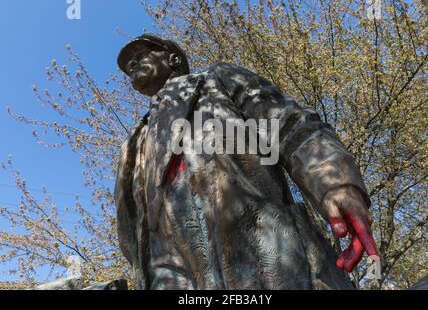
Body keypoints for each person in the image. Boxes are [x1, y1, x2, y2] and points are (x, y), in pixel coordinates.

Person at [114, 33, 379, 289]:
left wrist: (335, 183)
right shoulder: (134, 144)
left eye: (141, 54)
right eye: (129, 65)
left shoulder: (217, 81)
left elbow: (289, 124)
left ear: (172, 58)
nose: (133, 64)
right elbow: (134, 237)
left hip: (263, 251)